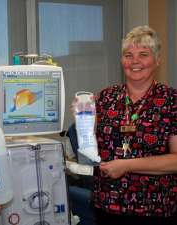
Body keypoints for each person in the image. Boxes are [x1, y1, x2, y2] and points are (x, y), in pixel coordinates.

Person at [72, 25, 177, 225]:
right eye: (128, 55)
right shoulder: (105, 97)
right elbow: (89, 152)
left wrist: (127, 166)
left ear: (157, 60)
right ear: (122, 61)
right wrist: (84, 122)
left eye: (143, 54)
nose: (134, 61)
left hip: (155, 210)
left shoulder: (172, 100)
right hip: (107, 207)